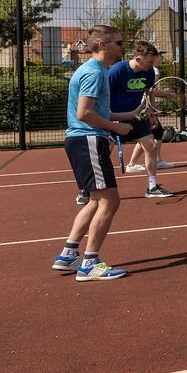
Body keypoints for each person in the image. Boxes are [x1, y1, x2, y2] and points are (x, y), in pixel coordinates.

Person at [53, 25, 137, 281]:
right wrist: (115, 128)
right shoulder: (93, 72)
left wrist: (128, 117)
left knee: (94, 200)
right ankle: (89, 263)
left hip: (85, 140)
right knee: (110, 201)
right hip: (87, 139)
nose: (123, 47)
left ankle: (68, 255)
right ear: (103, 43)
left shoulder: (98, 71)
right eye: (119, 43)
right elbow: (84, 113)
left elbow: (97, 111)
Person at [107, 41, 173, 198]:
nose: (152, 65)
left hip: (136, 116)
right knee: (103, 154)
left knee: (150, 146)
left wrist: (152, 112)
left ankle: (152, 186)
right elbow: (104, 94)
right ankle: (87, 189)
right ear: (138, 59)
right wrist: (111, 119)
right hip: (113, 117)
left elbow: (149, 92)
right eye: (150, 62)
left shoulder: (148, 72)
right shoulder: (118, 70)